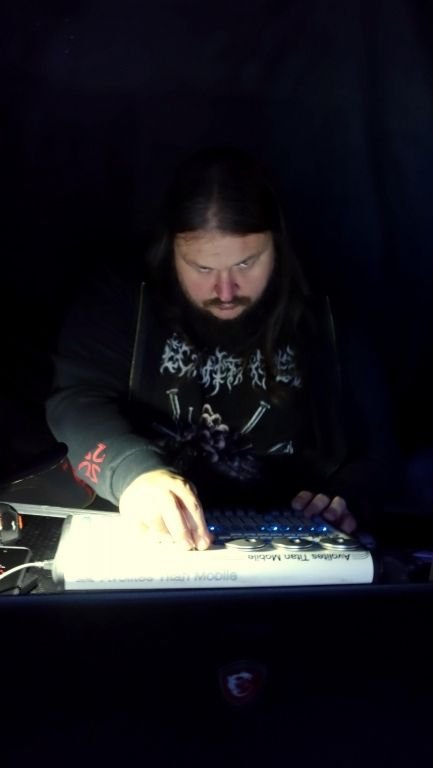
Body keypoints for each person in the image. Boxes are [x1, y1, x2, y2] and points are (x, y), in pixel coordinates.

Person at [46, 146, 398, 549]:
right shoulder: (122, 297)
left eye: (246, 263)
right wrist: (134, 474)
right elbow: (76, 401)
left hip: (296, 539)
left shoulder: (326, 308)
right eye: (202, 268)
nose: (226, 291)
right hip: (155, 536)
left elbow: (379, 445)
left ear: (276, 245)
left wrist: (347, 498)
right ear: (171, 249)